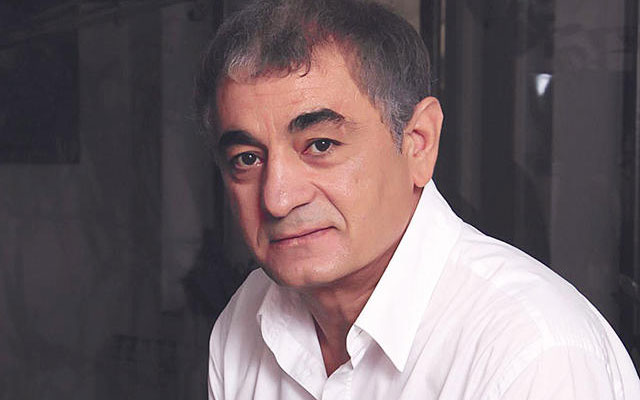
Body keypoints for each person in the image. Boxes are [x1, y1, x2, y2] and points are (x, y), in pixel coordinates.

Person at [195, 0, 640, 398]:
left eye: (321, 145)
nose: (277, 199)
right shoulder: (246, 318)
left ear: (419, 142)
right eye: (247, 158)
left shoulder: (532, 354)